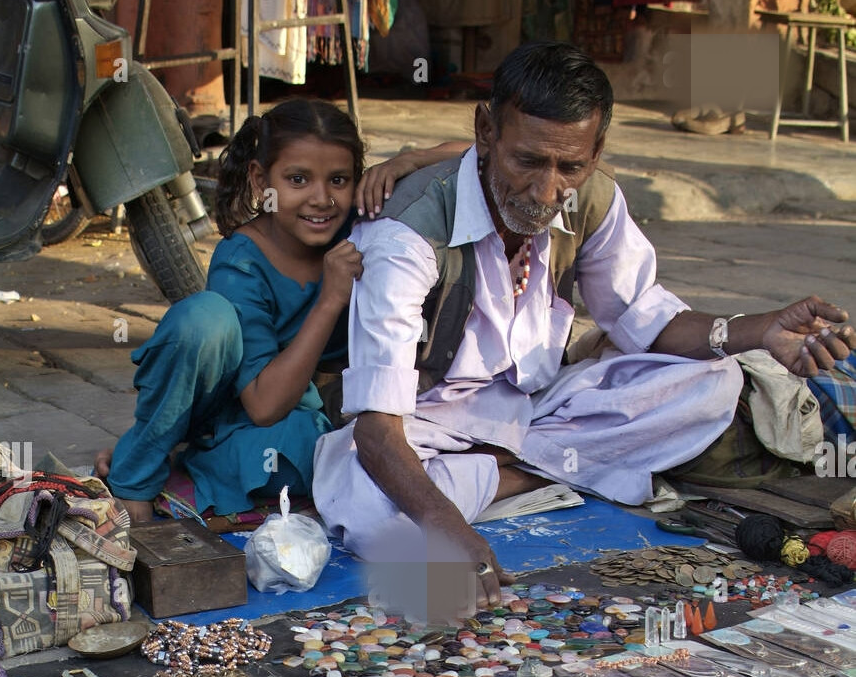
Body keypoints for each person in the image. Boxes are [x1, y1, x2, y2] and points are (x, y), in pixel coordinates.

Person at [311, 42, 855, 613]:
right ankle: (536, 475)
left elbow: (647, 316)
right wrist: (449, 527)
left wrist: (761, 329)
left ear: (595, 153)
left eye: (569, 167)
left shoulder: (592, 201)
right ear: (486, 130)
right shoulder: (407, 238)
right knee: (369, 510)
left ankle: (510, 472)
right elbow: (376, 427)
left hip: (538, 408)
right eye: (527, 161)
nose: (546, 192)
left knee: (713, 384)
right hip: (422, 420)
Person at [98, 100, 466, 524]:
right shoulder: (241, 261)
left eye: (339, 180)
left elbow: (480, 156)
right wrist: (329, 300)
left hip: (301, 412)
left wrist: (409, 160)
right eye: (297, 179)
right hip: (236, 402)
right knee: (202, 320)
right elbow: (262, 404)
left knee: (317, 450)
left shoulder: (357, 216)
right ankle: (137, 471)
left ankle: (178, 459)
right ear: (260, 179)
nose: (321, 199)